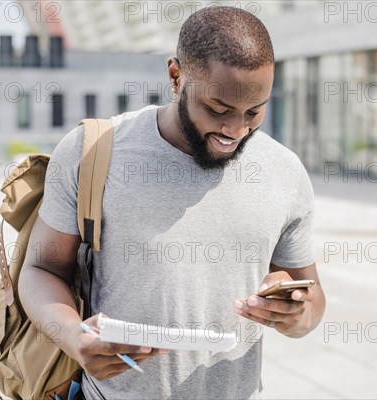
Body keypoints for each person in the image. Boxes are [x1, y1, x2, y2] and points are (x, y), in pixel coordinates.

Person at [18, 7, 325, 400]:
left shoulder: (285, 172)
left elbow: (313, 302)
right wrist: (75, 337)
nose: (235, 130)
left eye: (254, 111)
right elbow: (42, 268)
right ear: (176, 76)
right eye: (217, 109)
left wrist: (298, 314)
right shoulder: (91, 151)